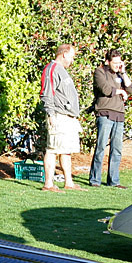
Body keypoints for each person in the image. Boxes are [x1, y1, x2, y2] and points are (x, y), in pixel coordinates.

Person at [89, 49, 132, 189]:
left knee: (117, 149)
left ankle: (114, 181)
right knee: (101, 147)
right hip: (105, 113)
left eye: (119, 62)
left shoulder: (119, 75)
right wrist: (120, 91)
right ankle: (95, 179)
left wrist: (123, 72)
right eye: (114, 63)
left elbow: (131, 88)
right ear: (108, 61)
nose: (117, 65)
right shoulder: (100, 72)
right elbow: (105, 89)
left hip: (119, 114)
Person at [39, 44, 82, 192]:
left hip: (68, 117)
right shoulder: (51, 69)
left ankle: (69, 182)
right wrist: (51, 114)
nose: (72, 60)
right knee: (52, 150)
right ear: (64, 54)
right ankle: (48, 184)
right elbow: (46, 93)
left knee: (66, 150)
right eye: (71, 56)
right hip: (58, 115)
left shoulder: (62, 71)